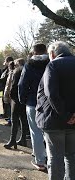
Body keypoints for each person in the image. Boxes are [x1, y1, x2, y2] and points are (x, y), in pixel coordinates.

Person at [36, 41, 75, 179]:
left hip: (55, 120)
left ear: (52, 53)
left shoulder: (53, 65)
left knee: (56, 158)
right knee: (71, 157)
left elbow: (51, 94)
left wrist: (66, 115)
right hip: (73, 121)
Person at [18, 43, 48, 171]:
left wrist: (22, 99)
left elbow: (22, 84)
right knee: (48, 131)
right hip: (49, 102)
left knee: (35, 132)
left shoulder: (29, 65)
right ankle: (49, 157)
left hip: (32, 102)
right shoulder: (52, 63)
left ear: (34, 52)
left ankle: (40, 161)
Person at [4, 58, 27, 149]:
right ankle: (23, 139)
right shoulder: (27, 70)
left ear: (18, 64)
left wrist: (11, 97)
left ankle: (12, 140)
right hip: (25, 100)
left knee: (14, 120)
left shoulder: (16, 71)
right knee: (23, 120)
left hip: (16, 100)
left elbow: (13, 86)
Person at [3, 61, 15, 126]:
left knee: (10, 108)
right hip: (10, 92)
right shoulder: (12, 72)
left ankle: (11, 121)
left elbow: (9, 84)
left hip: (10, 92)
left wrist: (7, 93)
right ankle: (10, 119)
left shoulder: (11, 73)